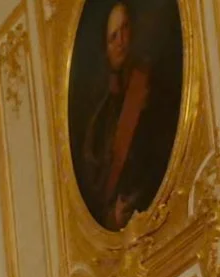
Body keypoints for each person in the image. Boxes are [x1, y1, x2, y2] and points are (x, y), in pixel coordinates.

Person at [76, 0, 178, 230]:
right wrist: (111, 215)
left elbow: (163, 154)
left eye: (124, 29)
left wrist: (135, 200)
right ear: (106, 49)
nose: (121, 41)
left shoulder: (153, 84)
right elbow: (96, 182)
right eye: (113, 37)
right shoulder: (101, 115)